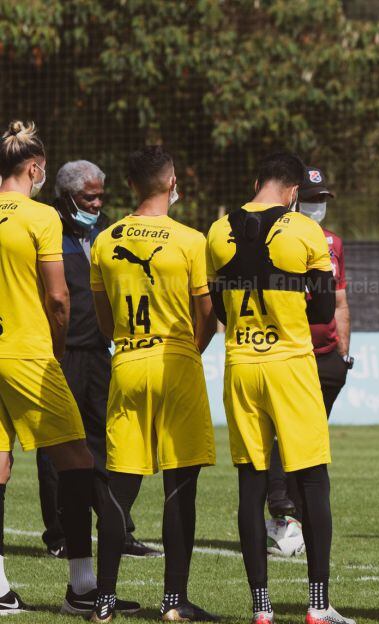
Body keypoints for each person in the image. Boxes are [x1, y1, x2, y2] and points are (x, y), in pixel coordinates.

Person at [206, 152, 350, 624]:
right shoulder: (306, 232)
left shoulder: (218, 230)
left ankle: (262, 609)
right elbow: (325, 310)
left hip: (241, 364)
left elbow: (222, 308)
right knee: (312, 479)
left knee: (251, 482)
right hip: (290, 365)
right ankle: (316, 604)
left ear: (256, 181)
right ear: (292, 192)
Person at [0, 120, 136, 616]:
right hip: (29, 353)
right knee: (78, 460)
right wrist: (56, 346)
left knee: (0, 462)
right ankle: (82, 584)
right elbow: (59, 296)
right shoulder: (40, 218)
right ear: (35, 169)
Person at [88, 146, 218, 622]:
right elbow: (208, 314)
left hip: (127, 362)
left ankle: (103, 599)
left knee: (120, 485)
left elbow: (103, 321)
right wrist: (188, 350)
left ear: (130, 185)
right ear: (171, 182)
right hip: (176, 362)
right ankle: (173, 602)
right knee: (180, 485)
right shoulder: (191, 239)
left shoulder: (106, 240)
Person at [37, 160, 160, 560]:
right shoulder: (47, 228)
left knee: (109, 442)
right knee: (58, 445)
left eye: (100, 196)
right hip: (60, 353)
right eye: (90, 196)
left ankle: (118, 528)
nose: (97, 202)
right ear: (68, 196)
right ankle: (58, 534)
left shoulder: (109, 230)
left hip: (100, 352)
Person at [265, 166, 353, 521]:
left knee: (311, 438)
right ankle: (279, 502)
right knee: (284, 432)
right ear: (296, 197)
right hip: (289, 350)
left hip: (326, 355)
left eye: (323, 200)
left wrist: (343, 351)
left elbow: (341, 300)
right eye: (313, 199)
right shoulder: (277, 236)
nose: (318, 206)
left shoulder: (334, 243)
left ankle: (297, 512)